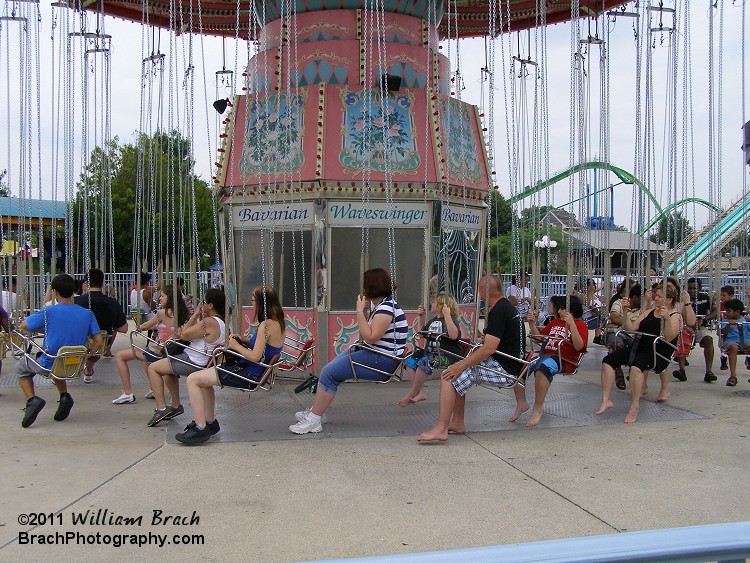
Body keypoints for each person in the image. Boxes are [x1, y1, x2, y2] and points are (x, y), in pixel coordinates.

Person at [290, 268, 408, 434]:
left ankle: (314, 419)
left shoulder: (386, 309)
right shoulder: (383, 305)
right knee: (330, 371)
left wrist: (359, 311)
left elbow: (371, 337)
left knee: (329, 374)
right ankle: (317, 412)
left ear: (371, 287)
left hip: (381, 361)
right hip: (377, 356)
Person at [417, 273, 525, 443]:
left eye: (479, 291)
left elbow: (488, 349)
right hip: (510, 363)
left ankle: (441, 428)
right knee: (458, 371)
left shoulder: (499, 311)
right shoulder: (507, 308)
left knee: (449, 375)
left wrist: (461, 366)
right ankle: (457, 422)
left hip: (504, 368)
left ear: (484, 291)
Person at [175, 285, 285, 444]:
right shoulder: (278, 322)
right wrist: (244, 340)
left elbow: (255, 356)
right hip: (251, 371)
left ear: (261, 302)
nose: (252, 303)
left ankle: (200, 428)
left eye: (253, 300)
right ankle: (210, 422)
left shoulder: (266, 325)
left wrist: (236, 346)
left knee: (193, 379)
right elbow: (266, 347)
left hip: (248, 375)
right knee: (203, 381)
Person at [13, 274, 103, 428]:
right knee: (59, 364)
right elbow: (99, 342)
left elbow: (24, 325)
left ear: (55, 292)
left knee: (22, 367)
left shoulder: (49, 312)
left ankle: (31, 400)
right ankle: (64, 397)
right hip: (73, 365)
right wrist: (86, 356)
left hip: (50, 363)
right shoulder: (87, 313)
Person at [596, 282, 680, 424]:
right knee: (608, 361)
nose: (656, 298)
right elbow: (631, 328)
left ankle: (634, 406)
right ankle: (606, 400)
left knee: (636, 367)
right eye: (656, 295)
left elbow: (670, 337)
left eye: (659, 296)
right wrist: (626, 311)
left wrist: (666, 319)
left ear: (669, 299)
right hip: (640, 347)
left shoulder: (674, 316)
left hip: (657, 351)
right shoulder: (649, 312)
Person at [145, 288, 226, 427]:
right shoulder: (220, 321)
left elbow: (184, 334)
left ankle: (161, 408)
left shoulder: (209, 322)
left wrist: (194, 315)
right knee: (166, 368)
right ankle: (207, 419)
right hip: (201, 359)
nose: (201, 305)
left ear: (210, 306)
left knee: (153, 368)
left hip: (193, 360)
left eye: (204, 302)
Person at [512, 295, 587, 428]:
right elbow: (539, 338)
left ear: (571, 310)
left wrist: (572, 325)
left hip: (563, 358)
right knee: (519, 364)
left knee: (543, 368)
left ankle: (537, 408)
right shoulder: (554, 323)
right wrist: (532, 323)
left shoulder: (581, 325)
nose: (559, 311)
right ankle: (521, 403)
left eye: (562, 309)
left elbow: (579, 346)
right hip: (546, 354)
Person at [112, 285, 189, 404]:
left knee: (120, 356)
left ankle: (127, 392)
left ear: (170, 298)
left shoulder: (162, 313)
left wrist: (139, 326)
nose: (160, 298)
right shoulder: (183, 313)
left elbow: (145, 326)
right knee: (146, 360)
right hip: (174, 349)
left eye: (162, 296)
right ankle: (153, 388)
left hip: (159, 350)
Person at [397, 292, 462, 408]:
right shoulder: (433, 321)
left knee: (425, 361)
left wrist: (447, 316)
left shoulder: (451, 320)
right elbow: (422, 334)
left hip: (447, 356)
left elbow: (454, 335)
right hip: (431, 353)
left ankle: (412, 393)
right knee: (410, 360)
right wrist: (421, 317)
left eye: (434, 302)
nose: (431, 304)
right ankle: (420, 391)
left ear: (441, 306)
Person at [75, 268, 128, 383]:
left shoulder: (77, 302)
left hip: (79, 342)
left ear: (86, 283)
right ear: (102, 284)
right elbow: (124, 329)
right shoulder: (112, 302)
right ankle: (89, 369)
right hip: (103, 343)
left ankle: (81, 367)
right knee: (108, 331)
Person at [675, 278, 717, 383]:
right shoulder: (682, 298)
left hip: (700, 326)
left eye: (695, 288)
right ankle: (682, 370)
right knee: (680, 340)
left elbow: (716, 311)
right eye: (690, 288)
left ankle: (709, 371)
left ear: (700, 288)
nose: (692, 290)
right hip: (684, 326)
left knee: (708, 339)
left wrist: (704, 319)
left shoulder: (705, 298)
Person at [605, 284, 642, 390]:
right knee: (616, 342)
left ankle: (634, 370)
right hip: (617, 331)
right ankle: (618, 371)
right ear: (635, 297)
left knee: (641, 345)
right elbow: (614, 318)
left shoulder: (643, 308)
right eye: (641, 299)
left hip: (635, 334)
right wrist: (628, 323)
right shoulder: (619, 303)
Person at [719, 299, 749, 387]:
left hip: (744, 341)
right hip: (731, 341)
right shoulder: (725, 320)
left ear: (737, 312)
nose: (726, 313)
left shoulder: (744, 320)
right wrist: (729, 325)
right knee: (734, 347)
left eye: (728, 311)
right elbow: (723, 333)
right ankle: (733, 376)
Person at [718, 285, 735, 371]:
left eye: (724, 295)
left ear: (730, 296)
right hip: (725, 324)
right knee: (721, 338)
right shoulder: (720, 306)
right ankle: (723, 356)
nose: (721, 297)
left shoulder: (735, 305)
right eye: (721, 295)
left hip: (734, 327)